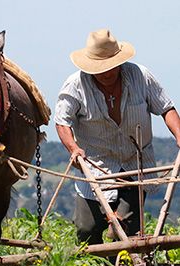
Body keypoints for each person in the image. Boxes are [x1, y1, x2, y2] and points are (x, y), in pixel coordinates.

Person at [54, 28, 180, 246]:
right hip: (94, 166)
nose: (107, 73)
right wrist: (73, 148)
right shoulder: (75, 85)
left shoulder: (140, 76)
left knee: (127, 228)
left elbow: (166, 109)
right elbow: (62, 122)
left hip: (135, 163)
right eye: (100, 68)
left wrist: (179, 135)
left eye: (111, 66)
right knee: (87, 230)